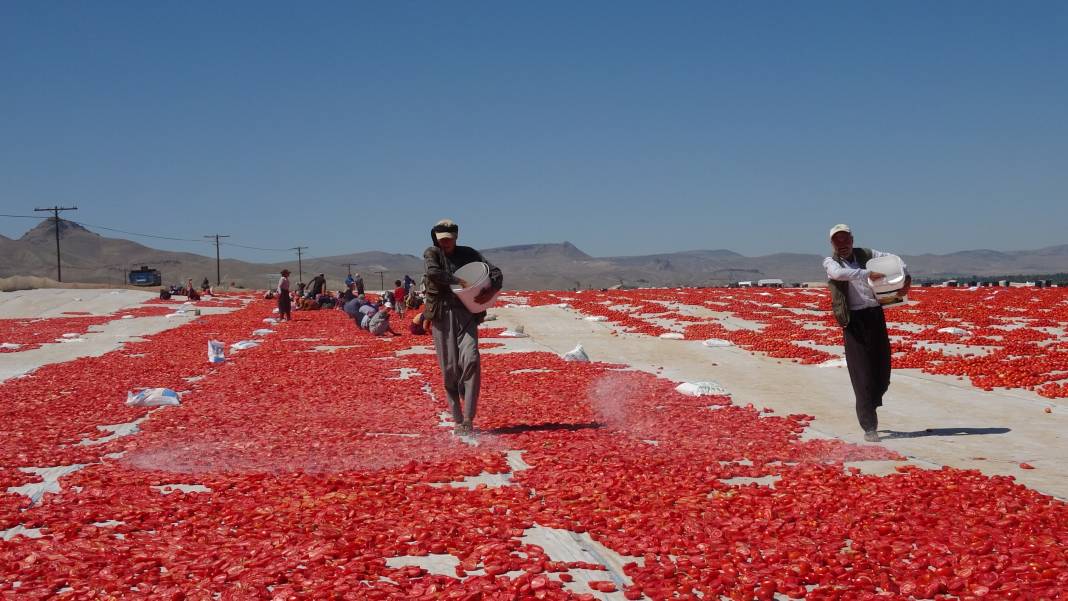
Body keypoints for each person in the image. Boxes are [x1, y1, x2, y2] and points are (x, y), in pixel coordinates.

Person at [824, 224, 911, 442]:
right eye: (837, 241)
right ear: (832, 244)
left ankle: (871, 401)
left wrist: (904, 278)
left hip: (875, 315)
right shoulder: (830, 262)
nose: (842, 244)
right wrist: (867, 273)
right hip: (853, 321)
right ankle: (869, 425)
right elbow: (839, 274)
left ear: (852, 239)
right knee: (861, 374)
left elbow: (896, 260)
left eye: (846, 239)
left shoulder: (868, 255)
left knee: (882, 371)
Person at [424, 219, 503, 435]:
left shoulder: (468, 253)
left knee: (471, 359)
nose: (445, 244)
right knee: (450, 369)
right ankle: (458, 419)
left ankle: (468, 418)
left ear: (456, 236)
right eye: (441, 240)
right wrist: (458, 280)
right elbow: (433, 273)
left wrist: (492, 287)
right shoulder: (432, 253)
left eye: (449, 239)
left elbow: (495, 272)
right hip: (442, 315)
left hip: (466, 314)